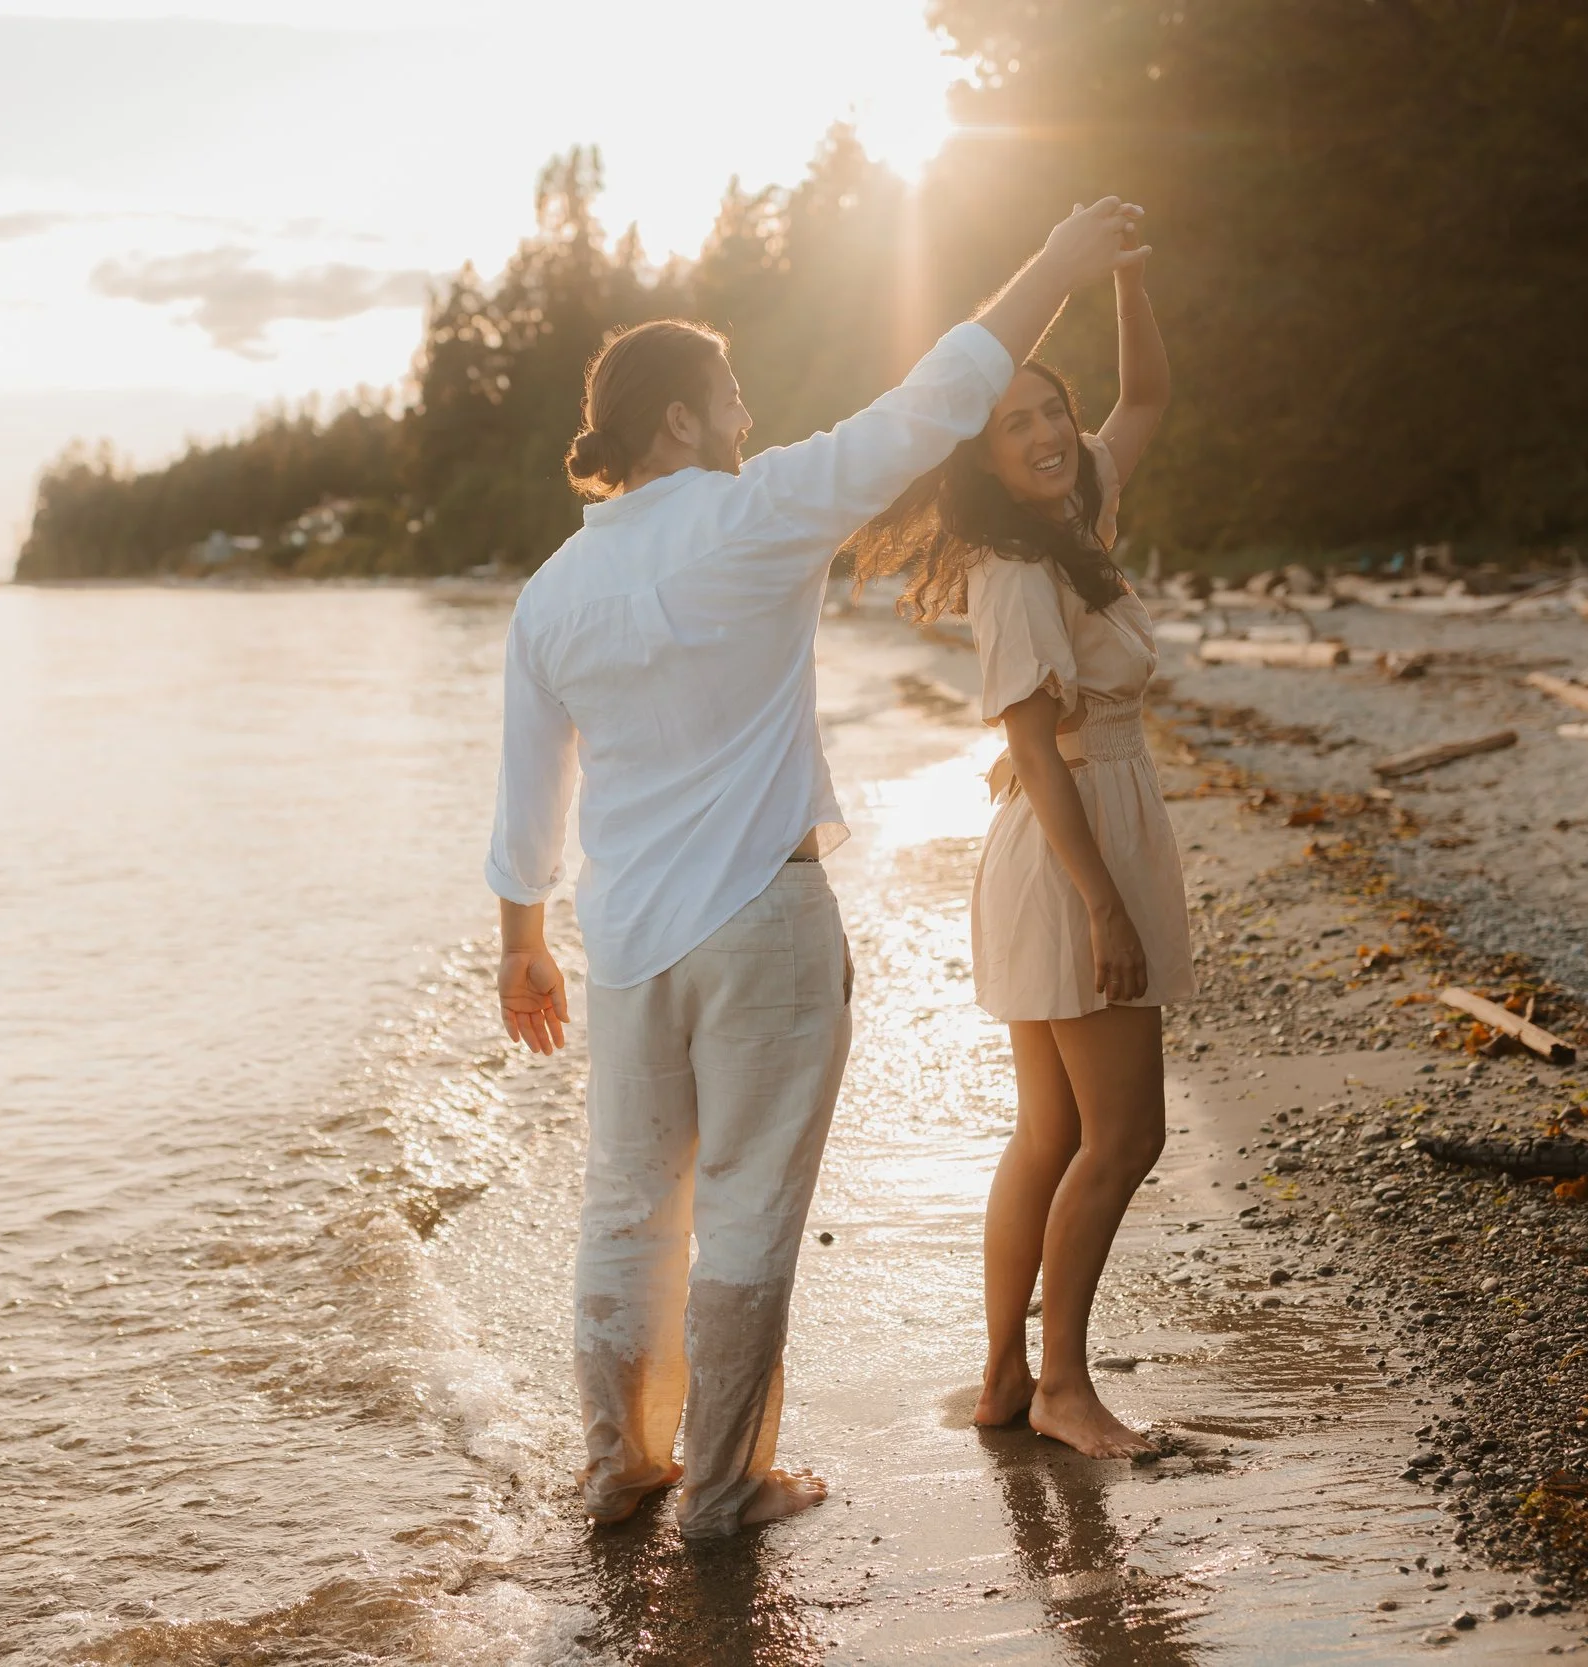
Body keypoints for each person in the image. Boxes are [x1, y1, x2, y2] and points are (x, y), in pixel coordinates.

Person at [486, 198, 1152, 1536]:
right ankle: (725, 1485)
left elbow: (526, 789)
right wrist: (1056, 265)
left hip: (626, 938)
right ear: (681, 419)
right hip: (762, 919)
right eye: (729, 393)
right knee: (746, 1207)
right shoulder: (758, 510)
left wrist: (523, 940)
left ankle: (620, 1462)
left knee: (626, 1204)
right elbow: (935, 398)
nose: (748, 412)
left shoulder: (551, 589)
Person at [844, 230, 1183, 1458]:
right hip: (1069, 846)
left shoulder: (1072, 515)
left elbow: (1147, 397)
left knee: (1051, 1134)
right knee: (1123, 1134)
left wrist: (1125, 278)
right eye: (1013, 425)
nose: (1045, 435)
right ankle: (1062, 1386)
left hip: (1070, 839)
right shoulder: (1015, 568)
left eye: (1051, 412)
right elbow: (1035, 749)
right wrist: (1105, 904)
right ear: (979, 457)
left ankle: (1003, 1374)